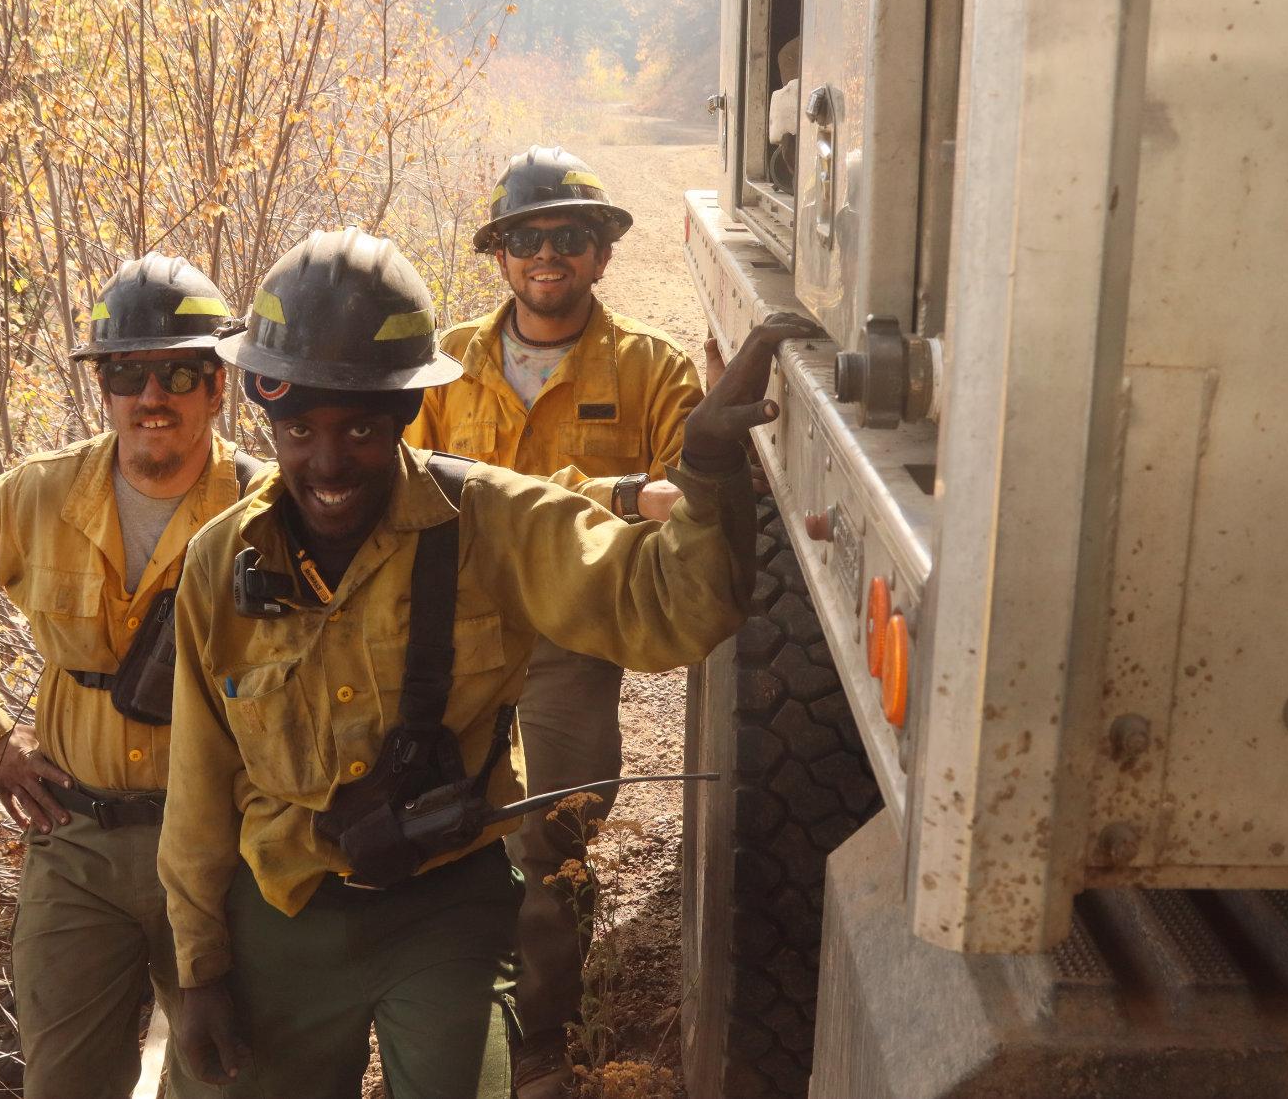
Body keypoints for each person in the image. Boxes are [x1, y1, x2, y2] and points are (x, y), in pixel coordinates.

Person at [158, 226, 818, 1098]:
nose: (327, 462)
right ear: (267, 415)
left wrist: (708, 468)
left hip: (446, 912)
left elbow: (669, 608)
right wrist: (198, 974)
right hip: (284, 913)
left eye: (359, 428)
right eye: (298, 429)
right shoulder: (218, 565)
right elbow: (198, 790)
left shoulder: (490, 523)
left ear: (403, 413)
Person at [0, 254, 251, 1098]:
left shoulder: (263, 508)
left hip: (223, 850)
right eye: (127, 372)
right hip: (76, 843)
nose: (151, 396)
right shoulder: (38, 495)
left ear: (218, 387)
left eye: (179, 371)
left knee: (228, 1080)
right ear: (103, 385)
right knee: (64, 1081)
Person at [404, 144, 707, 1094]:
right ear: (498, 254)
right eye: (527, 238)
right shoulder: (439, 364)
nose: (549, 255)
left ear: (601, 254)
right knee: (435, 829)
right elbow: (403, 494)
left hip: (573, 648)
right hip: (449, 640)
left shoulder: (654, 369)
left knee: (552, 838)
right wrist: (613, 494)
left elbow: (691, 506)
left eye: (571, 237)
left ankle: (541, 1038)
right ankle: (444, 1028)